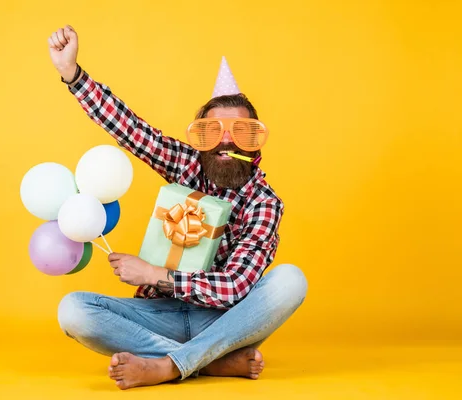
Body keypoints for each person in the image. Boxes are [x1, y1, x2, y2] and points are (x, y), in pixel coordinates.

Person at [47, 25, 308, 390]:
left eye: (239, 131)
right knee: (73, 310)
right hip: (158, 315)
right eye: (213, 131)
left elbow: (235, 288)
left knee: (291, 280)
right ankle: (211, 361)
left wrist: (152, 273)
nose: (226, 140)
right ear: (200, 138)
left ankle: (169, 365)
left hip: (222, 320)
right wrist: (72, 75)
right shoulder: (186, 164)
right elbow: (130, 129)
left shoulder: (263, 202)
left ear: (254, 141)